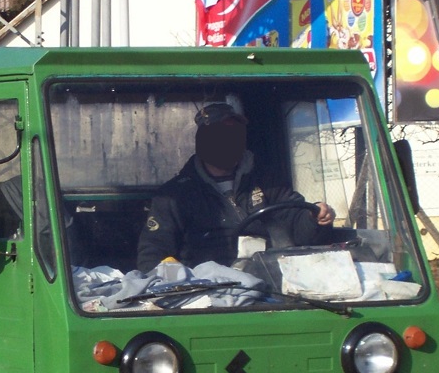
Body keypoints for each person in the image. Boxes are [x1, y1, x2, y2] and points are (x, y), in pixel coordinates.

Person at [136, 102, 334, 273]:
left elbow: (299, 227)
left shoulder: (268, 182)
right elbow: (153, 257)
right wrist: (186, 285)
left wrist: (315, 217)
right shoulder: (174, 196)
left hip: (271, 282)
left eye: (234, 134)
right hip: (208, 294)